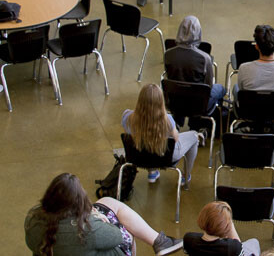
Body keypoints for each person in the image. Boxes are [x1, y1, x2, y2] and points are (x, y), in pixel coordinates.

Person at [25, 172, 182, 256]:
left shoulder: (33, 219)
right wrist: (98, 218)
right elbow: (117, 236)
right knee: (128, 231)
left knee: (107, 201)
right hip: (89, 242)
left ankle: (158, 241)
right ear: (78, 202)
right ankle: (158, 241)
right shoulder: (88, 229)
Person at [122, 84, 201, 188]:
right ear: (161, 101)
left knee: (146, 140)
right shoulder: (167, 120)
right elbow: (176, 139)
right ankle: (185, 176)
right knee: (194, 136)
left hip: (138, 156)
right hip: (164, 157)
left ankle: (152, 173)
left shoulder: (127, 116)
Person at [164, 15, 226, 126]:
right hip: (198, 105)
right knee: (220, 89)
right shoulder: (204, 58)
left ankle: (178, 121)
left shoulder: (168, 54)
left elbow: (170, 75)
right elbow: (208, 86)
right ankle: (199, 125)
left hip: (175, 102)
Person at [235, 25, 274, 105]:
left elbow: (242, 88)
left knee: (236, 88)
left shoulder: (243, 68)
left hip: (249, 114)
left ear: (256, 46)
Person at [184, 201, 260, 256]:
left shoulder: (189, 239)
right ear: (225, 228)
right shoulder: (232, 248)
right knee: (254, 242)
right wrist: (230, 224)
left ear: (201, 218)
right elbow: (239, 248)